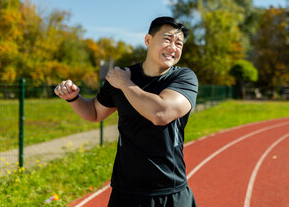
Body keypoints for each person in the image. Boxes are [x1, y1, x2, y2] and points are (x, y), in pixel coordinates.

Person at [54, 16, 198, 207]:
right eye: (167, 39)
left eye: (179, 43)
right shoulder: (121, 76)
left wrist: (125, 84)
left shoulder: (183, 77)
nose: (173, 47)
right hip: (126, 191)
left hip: (169, 190)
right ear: (148, 40)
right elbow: (95, 113)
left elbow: (161, 113)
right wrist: (73, 98)